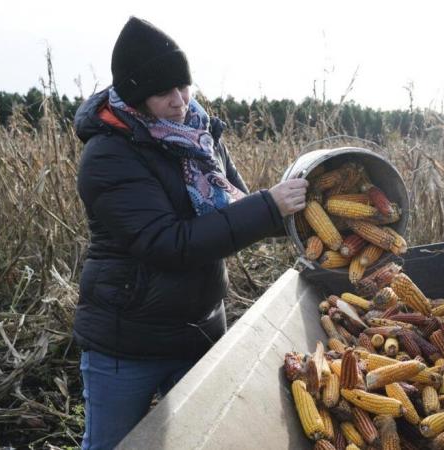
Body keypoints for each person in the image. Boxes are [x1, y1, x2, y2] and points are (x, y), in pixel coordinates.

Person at [73, 16, 307, 449]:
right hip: (128, 343)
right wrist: (268, 206)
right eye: (164, 92)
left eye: (185, 86)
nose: (180, 101)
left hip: (198, 332)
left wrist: (301, 212)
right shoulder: (108, 156)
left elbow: (235, 208)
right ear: (136, 96)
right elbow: (167, 243)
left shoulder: (198, 134)